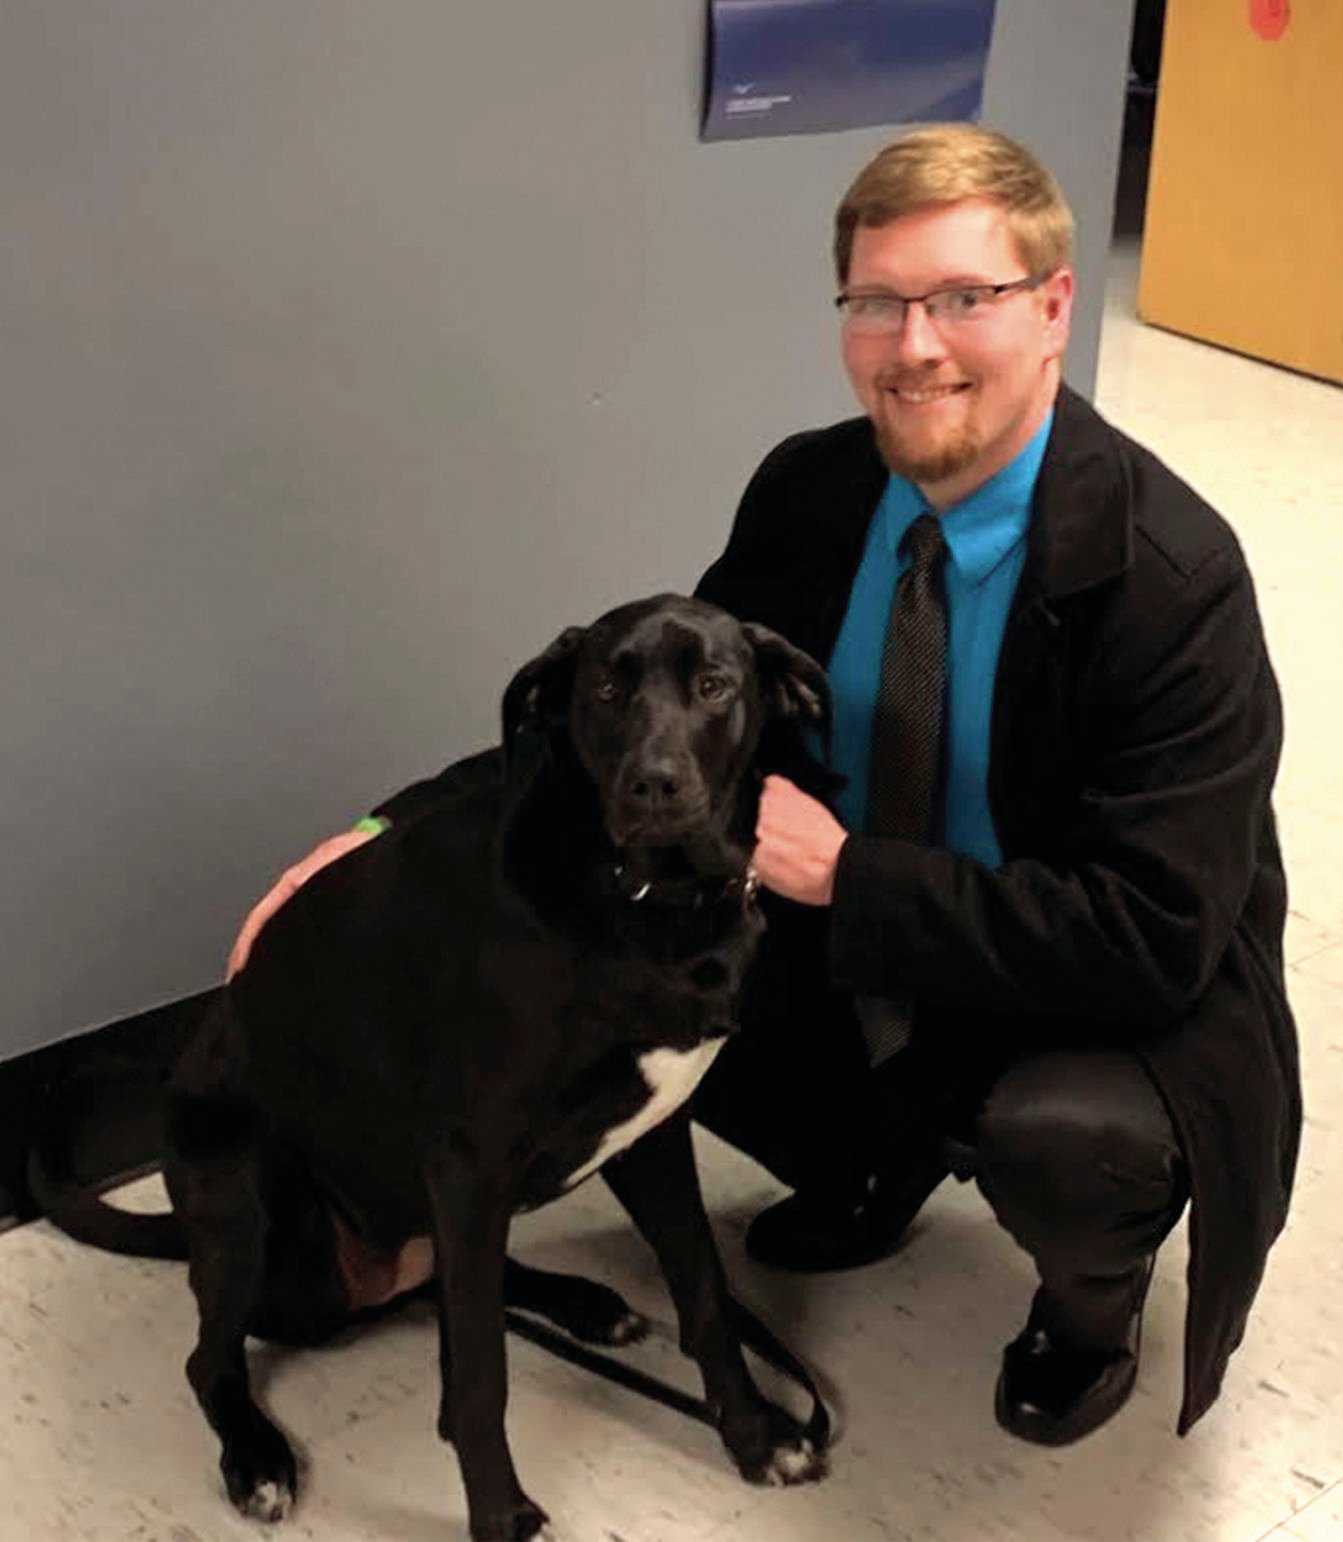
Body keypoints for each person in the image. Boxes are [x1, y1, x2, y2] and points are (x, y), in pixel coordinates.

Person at [227, 125, 1300, 1448]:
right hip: (855, 930)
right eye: (877, 301)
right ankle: (877, 1156)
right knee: (616, 989)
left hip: (1091, 988)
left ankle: (1090, 1306)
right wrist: (379, 834)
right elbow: (633, 727)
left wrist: (850, 879)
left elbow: (1154, 936)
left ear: (1056, 308)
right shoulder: (810, 490)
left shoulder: (1172, 581)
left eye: (965, 297)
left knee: (1071, 1140)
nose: (916, 344)